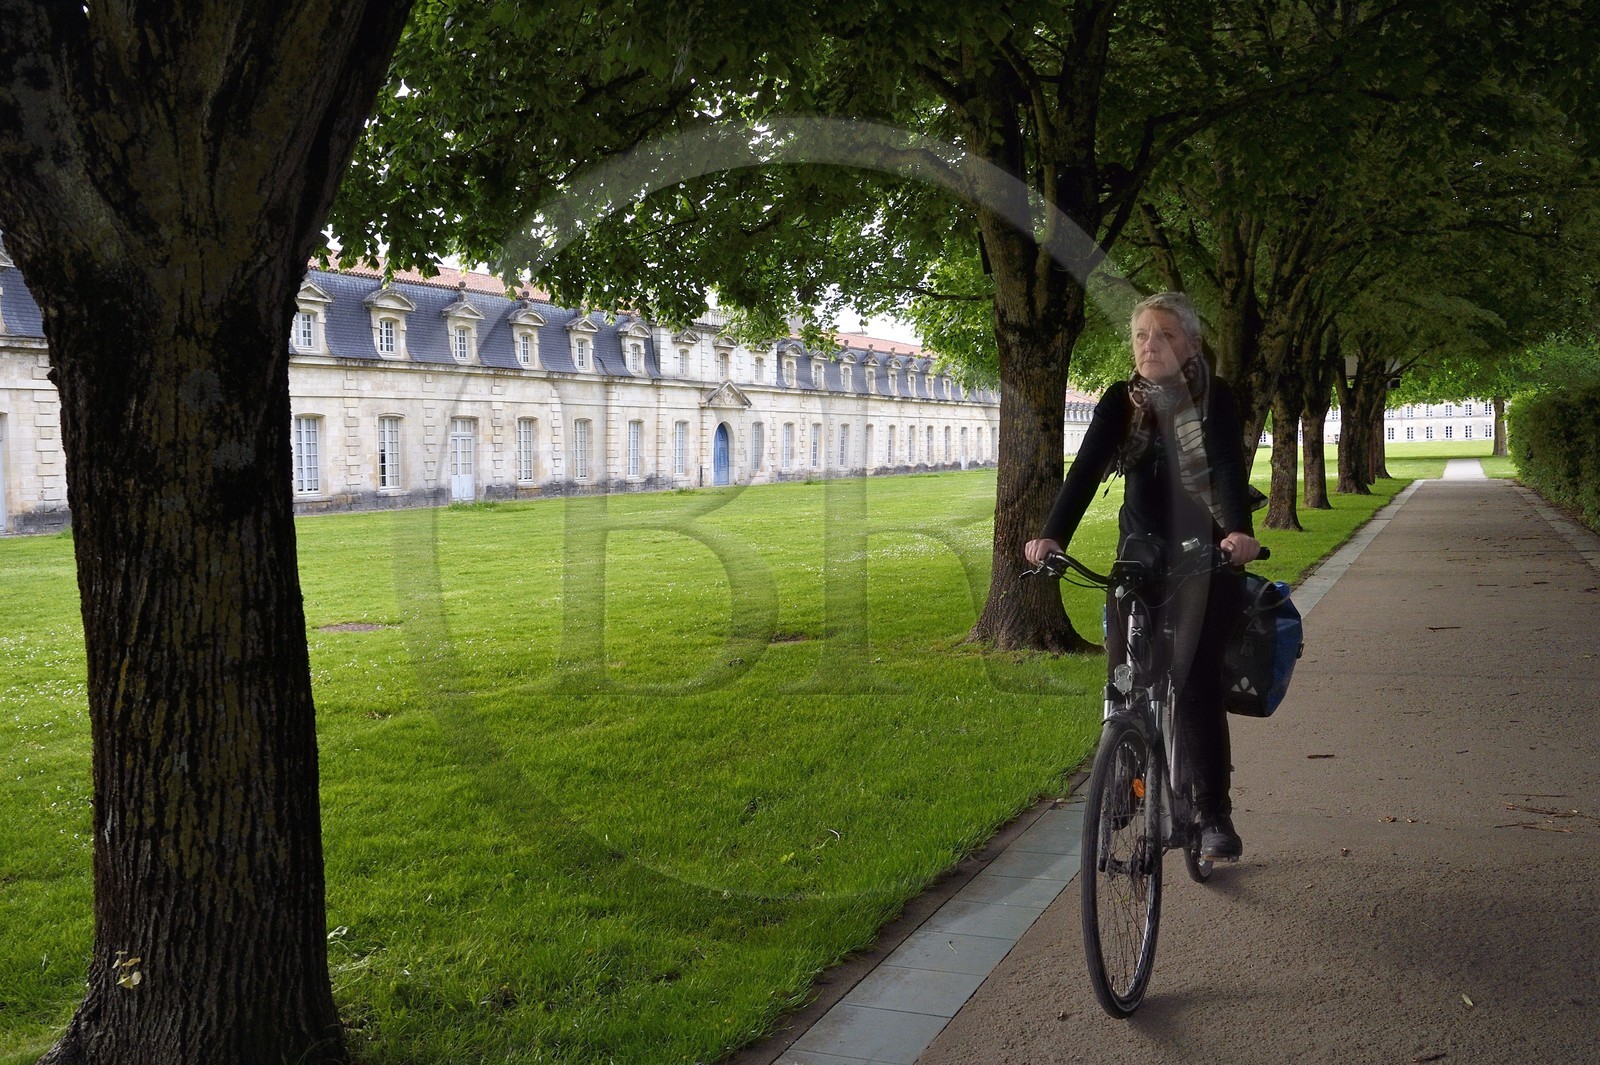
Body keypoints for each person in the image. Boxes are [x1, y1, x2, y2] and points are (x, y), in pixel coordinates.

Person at [1025, 291, 1260, 860]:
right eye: (1140, 336)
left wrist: (1236, 531)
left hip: (1206, 552)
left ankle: (1211, 814)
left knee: (1196, 678)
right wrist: (1053, 533)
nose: (1149, 346)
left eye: (1164, 335)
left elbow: (1227, 466)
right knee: (1125, 675)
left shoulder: (1216, 400)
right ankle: (1127, 780)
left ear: (1192, 346)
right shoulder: (1119, 402)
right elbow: (1084, 470)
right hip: (1142, 551)